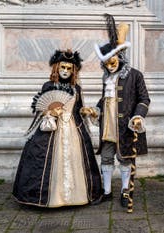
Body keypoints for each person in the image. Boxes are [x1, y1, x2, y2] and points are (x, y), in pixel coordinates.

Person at [12, 49, 103, 207]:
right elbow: (41, 108)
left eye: (69, 68)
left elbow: (77, 109)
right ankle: (52, 197)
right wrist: (50, 111)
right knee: (47, 159)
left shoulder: (77, 89)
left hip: (74, 128)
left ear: (73, 70)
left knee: (77, 159)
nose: (65, 71)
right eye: (63, 67)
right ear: (56, 68)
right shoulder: (48, 86)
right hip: (53, 128)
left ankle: (77, 196)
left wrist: (86, 110)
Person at [82, 15, 150, 210]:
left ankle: (125, 191)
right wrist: (95, 111)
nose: (110, 66)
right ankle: (106, 191)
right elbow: (105, 100)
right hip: (107, 126)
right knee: (105, 157)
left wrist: (138, 116)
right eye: (106, 64)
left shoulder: (135, 75)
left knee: (125, 159)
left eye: (113, 62)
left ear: (120, 58)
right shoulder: (106, 78)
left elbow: (144, 99)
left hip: (125, 127)